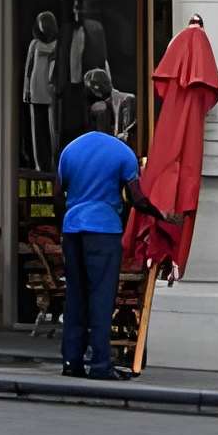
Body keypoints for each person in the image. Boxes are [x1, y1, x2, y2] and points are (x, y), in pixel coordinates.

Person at [54, 93, 172, 381]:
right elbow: (137, 198)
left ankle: (72, 361)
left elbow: (57, 194)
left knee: (76, 295)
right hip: (103, 231)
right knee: (102, 297)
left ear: (88, 120)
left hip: (73, 229)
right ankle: (101, 364)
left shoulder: (70, 150)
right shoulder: (122, 153)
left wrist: (66, 223)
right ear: (113, 121)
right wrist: (163, 216)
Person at [20, 7, 62, 170]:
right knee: (37, 130)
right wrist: (26, 90)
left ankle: (53, 163)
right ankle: (39, 164)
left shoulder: (58, 44)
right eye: (40, 23)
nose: (43, 26)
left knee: (52, 131)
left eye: (45, 23)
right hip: (35, 89)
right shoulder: (34, 44)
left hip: (51, 90)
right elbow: (28, 69)